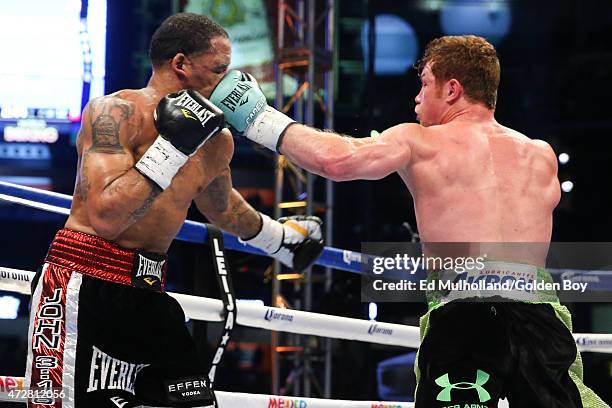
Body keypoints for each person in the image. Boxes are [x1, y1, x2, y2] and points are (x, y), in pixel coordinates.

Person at [209, 36, 608, 407]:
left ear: (452, 90)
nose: (417, 98)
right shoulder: (539, 154)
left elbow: (336, 160)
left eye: (424, 84)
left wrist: (259, 119)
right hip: (538, 316)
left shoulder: (418, 140)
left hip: (465, 314)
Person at [25, 13, 323, 408]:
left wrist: (278, 238)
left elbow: (221, 206)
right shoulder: (115, 112)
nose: (228, 81)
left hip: (149, 290)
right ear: (180, 64)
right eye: (219, 69)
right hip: (83, 283)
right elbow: (106, 215)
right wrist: (171, 146)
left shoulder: (217, 140)